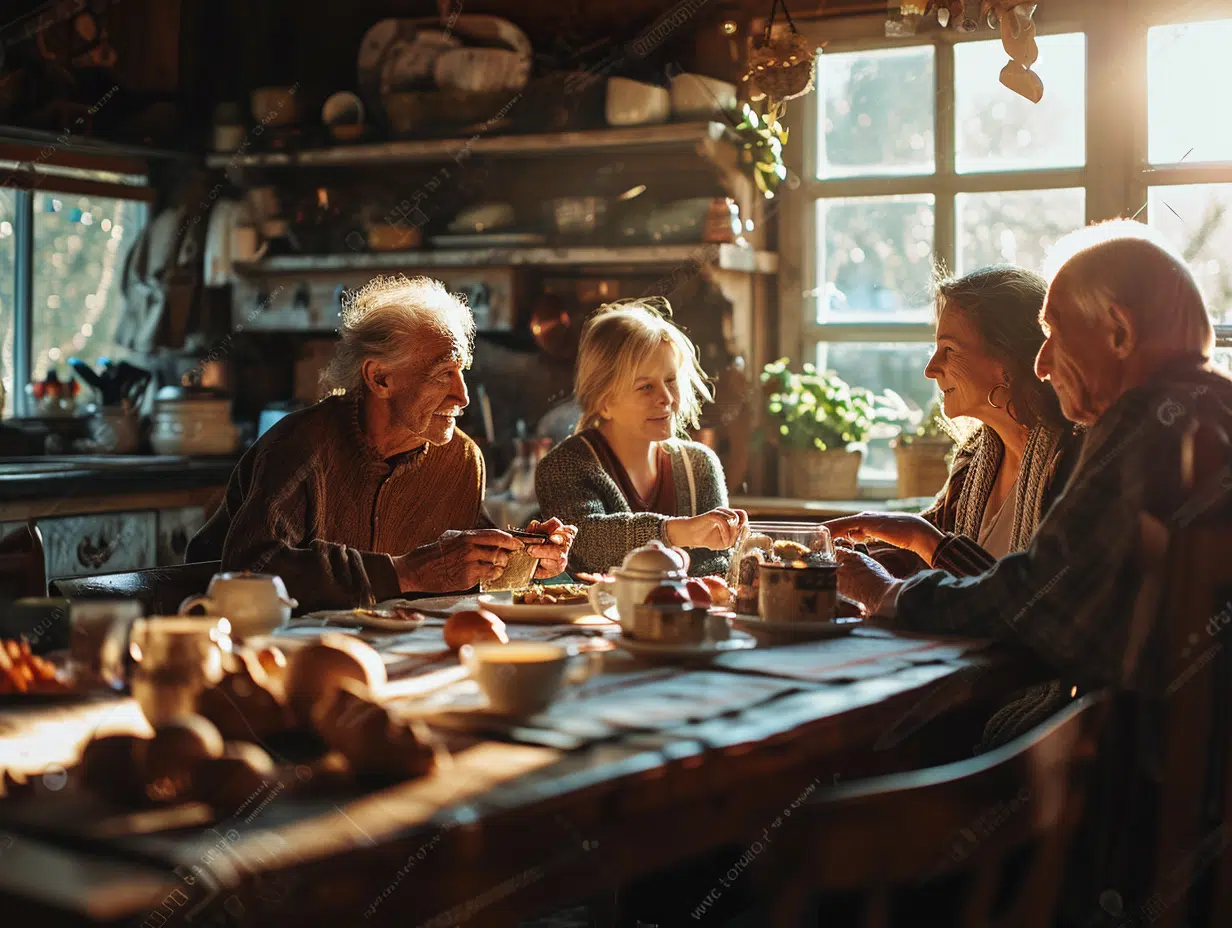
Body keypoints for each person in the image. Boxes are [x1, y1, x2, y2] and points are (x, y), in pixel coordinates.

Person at [830, 220, 1232, 925]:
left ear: (1118, 331)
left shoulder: (1146, 427)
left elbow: (1038, 604)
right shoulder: (1212, 412)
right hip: (1189, 792)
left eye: (1054, 334)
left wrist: (893, 596)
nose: (1042, 363)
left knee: (833, 814)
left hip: (1129, 811)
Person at [186, 275, 575, 612]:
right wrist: (402, 572)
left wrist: (524, 560)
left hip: (389, 659)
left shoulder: (462, 459)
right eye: (442, 374)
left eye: (462, 372)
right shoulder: (301, 445)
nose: (463, 397)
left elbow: (459, 578)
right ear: (380, 379)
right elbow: (248, 570)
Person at [840, 265, 1084, 580]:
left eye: (949, 350)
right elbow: (919, 559)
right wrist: (825, 555)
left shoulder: (1072, 461)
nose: (930, 368)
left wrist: (922, 538)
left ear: (1006, 362)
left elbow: (1030, 600)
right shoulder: (973, 462)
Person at [534, 298, 747, 578]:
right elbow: (585, 542)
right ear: (605, 402)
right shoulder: (564, 467)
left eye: (670, 380)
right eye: (646, 387)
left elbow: (719, 568)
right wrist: (680, 534)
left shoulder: (700, 465)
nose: (667, 399)